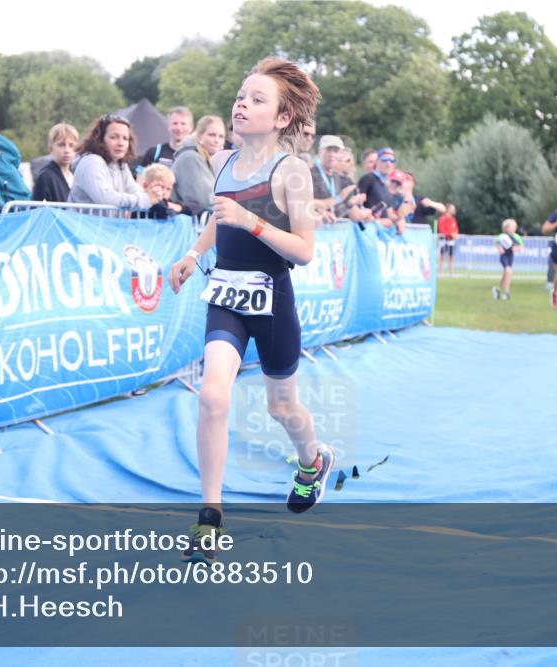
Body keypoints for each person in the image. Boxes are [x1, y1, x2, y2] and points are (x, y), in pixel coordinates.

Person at [168, 56, 329, 563]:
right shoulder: (222, 164)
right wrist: (193, 255)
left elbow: (304, 250)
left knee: (282, 407)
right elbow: (220, 219)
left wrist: (252, 221)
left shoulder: (293, 171)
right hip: (227, 294)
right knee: (213, 396)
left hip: (273, 298)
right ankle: (210, 517)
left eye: (257, 99)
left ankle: (313, 461)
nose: (242, 104)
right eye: (241, 96)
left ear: (281, 118)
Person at [69, 114, 164, 211]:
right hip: (83, 225)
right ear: (100, 139)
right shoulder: (91, 162)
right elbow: (106, 198)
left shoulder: (120, 164)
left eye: (125, 138)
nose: (121, 143)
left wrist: (155, 198)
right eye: (114, 137)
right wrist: (147, 200)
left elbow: (134, 191)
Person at [171, 115, 227, 217]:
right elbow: (201, 201)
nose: (217, 140)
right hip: (189, 225)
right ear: (200, 136)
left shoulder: (203, 158)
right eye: (212, 135)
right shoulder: (190, 158)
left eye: (221, 136)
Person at [310, 135, 364, 223]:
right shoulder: (310, 173)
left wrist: (349, 204)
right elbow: (303, 204)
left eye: (335, 151)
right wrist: (319, 210)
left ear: (340, 155)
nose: (332, 154)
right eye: (328, 150)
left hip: (332, 230)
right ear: (320, 152)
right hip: (314, 230)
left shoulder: (337, 178)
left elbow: (336, 213)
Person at [135, 106, 194, 173]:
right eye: (175, 123)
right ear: (168, 126)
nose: (179, 128)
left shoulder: (198, 155)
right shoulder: (155, 152)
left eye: (183, 124)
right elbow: (139, 177)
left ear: (191, 127)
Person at [32, 123, 78, 202]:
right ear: (51, 148)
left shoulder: (75, 174)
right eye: (61, 145)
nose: (67, 150)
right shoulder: (46, 176)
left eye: (71, 145)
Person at [356, 147, 394, 218]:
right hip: (369, 226)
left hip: (382, 227)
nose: (388, 163)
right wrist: (369, 215)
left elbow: (390, 214)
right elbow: (358, 205)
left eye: (392, 161)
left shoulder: (386, 184)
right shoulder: (368, 179)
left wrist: (401, 217)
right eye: (384, 160)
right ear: (377, 162)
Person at [491, 218, 523, 301]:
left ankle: (497, 289)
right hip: (504, 256)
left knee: (506, 274)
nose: (513, 228)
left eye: (514, 227)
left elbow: (521, 246)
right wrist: (499, 249)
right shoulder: (502, 236)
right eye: (511, 227)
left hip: (510, 256)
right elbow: (496, 242)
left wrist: (517, 249)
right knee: (509, 271)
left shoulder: (516, 237)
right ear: (506, 228)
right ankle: (506, 292)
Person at [438, 203, 459, 274]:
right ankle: (441, 272)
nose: (454, 210)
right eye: (453, 209)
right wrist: (451, 234)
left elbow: (456, 229)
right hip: (444, 240)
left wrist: (455, 235)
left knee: (451, 256)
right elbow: (442, 230)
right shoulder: (442, 219)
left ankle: (451, 272)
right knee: (442, 256)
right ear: (448, 209)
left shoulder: (453, 219)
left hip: (451, 241)